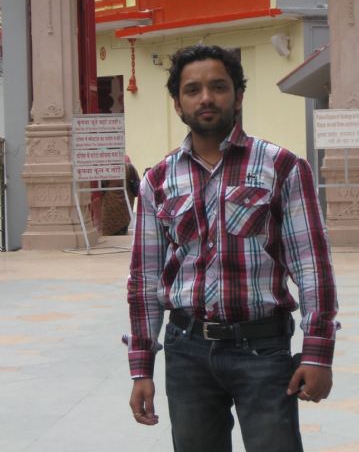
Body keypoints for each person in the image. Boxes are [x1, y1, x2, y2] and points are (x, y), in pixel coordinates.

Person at [126, 44, 339, 452]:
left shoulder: (282, 167)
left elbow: (312, 267)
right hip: (186, 351)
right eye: (192, 90)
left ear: (238, 96)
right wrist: (142, 367)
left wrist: (317, 353)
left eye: (218, 87)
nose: (206, 97)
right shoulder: (158, 181)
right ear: (178, 104)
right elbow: (144, 280)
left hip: (263, 349)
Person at [101, 156, 140, 236]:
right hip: (125, 206)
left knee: (108, 233)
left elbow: (101, 186)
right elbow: (138, 184)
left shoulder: (106, 169)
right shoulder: (129, 168)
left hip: (109, 206)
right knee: (122, 231)